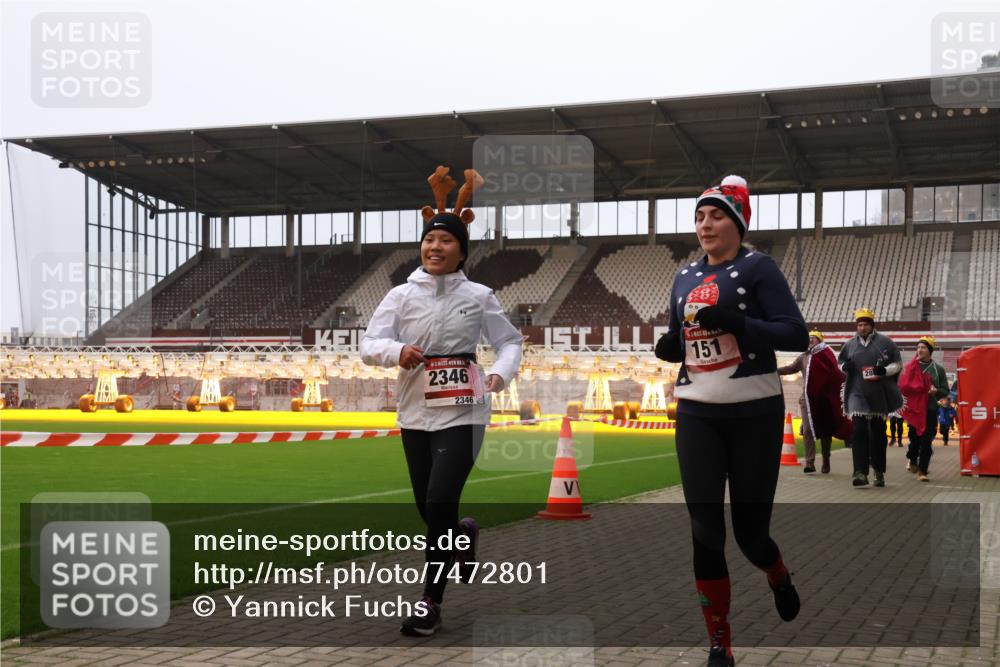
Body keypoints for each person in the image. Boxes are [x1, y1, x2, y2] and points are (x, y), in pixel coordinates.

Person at [361, 166, 523, 637]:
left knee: (439, 499)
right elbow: (370, 344)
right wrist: (397, 351)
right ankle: (463, 537)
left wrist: (498, 374)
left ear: (461, 251)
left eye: (445, 241)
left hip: (466, 410)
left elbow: (510, 342)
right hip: (415, 411)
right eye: (429, 240)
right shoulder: (399, 294)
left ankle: (430, 603)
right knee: (430, 510)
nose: (435, 247)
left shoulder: (479, 296)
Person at [655, 175, 807, 667]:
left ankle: (778, 573)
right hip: (697, 411)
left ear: (738, 222)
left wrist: (739, 322)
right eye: (699, 216)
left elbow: (795, 334)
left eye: (716, 215)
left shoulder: (759, 268)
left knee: (750, 536)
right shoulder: (683, 276)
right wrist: (672, 344)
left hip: (753, 413)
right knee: (704, 529)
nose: (705, 224)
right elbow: (685, 337)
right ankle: (719, 640)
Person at [838, 309, 903, 488]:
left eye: (865, 324)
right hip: (856, 393)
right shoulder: (850, 344)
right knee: (858, 430)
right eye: (859, 324)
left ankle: (879, 471)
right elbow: (840, 362)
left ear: (872, 325)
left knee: (878, 434)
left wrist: (884, 370)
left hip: (878, 394)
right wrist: (845, 366)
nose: (862, 327)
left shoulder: (886, 342)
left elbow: (897, 364)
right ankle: (860, 472)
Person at [778, 330, 851, 474]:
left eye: (814, 338)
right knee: (807, 430)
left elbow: (836, 375)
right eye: (809, 338)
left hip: (824, 400)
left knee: (825, 430)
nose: (810, 340)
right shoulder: (803, 357)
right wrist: (774, 370)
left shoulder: (826, 355)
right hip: (806, 400)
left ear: (820, 340)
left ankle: (826, 460)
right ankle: (809, 462)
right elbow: (791, 368)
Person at [901, 336, 949, 481]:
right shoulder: (910, 366)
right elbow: (904, 387)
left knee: (926, 441)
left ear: (930, 351)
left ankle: (923, 471)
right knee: (914, 441)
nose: (919, 350)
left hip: (930, 409)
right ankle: (912, 459)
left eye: (923, 347)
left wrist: (936, 391)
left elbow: (945, 390)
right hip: (915, 410)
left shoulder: (938, 369)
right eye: (918, 347)